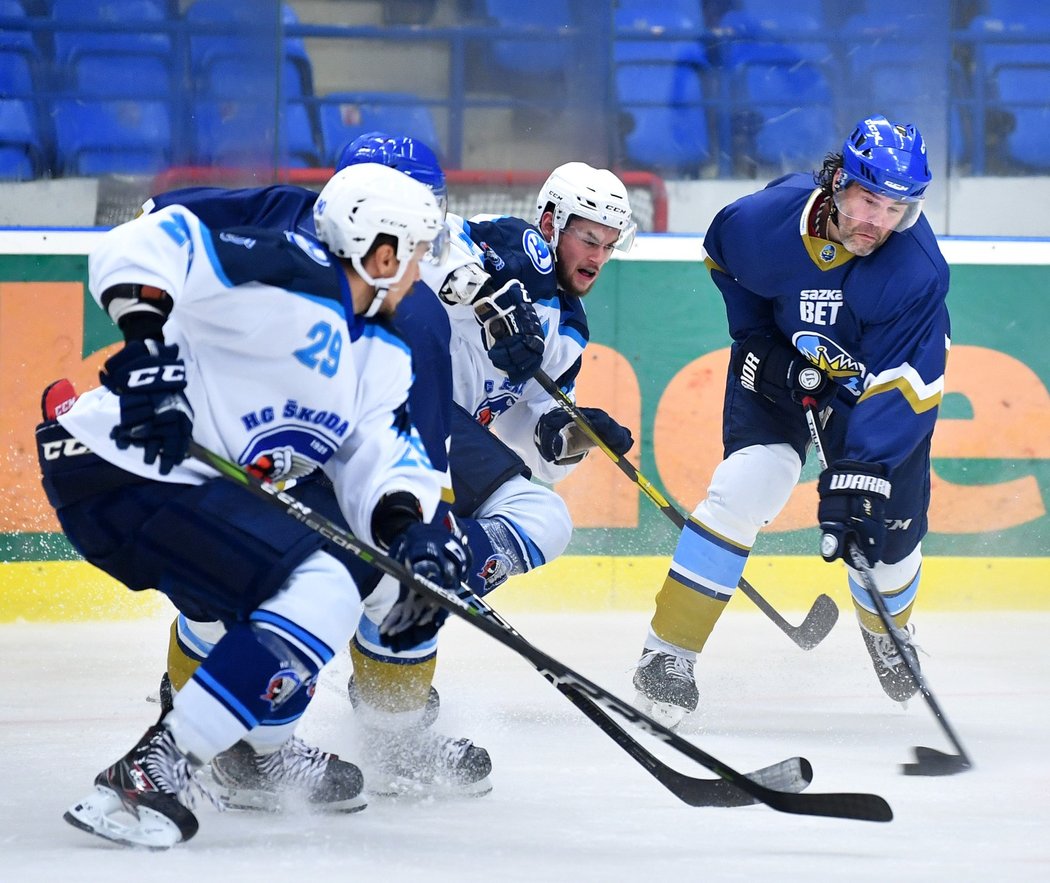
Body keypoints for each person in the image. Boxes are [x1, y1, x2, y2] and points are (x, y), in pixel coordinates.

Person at [142, 141, 637, 798]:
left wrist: (569, 433)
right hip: (302, 424)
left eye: (428, 211)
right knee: (242, 588)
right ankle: (229, 729)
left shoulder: (513, 311)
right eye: (586, 236)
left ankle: (388, 731)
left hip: (403, 427)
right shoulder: (301, 244)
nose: (596, 255)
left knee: (477, 543)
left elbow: (524, 439)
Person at [39, 163, 471, 848]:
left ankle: (247, 753)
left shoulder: (380, 356)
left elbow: (380, 462)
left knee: (347, 578)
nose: (419, 273)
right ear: (382, 254)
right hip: (118, 463)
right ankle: (158, 768)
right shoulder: (285, 267)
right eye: (416, 254)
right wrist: (147, 344)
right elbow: (148, 243)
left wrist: (407, 532)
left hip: (180, 496)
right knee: (323, 582)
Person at [631, 115, 949, 728]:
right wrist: (756, 339)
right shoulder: (758, 223)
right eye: (868, 201)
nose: (878, 224)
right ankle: (665, 656)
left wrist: (865, 470)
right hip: (783, 367)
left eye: (897, 211)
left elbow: (907, 386)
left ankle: (890, 631)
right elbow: (724, 261)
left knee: (887, 536)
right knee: (751, 480)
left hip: (870, 391)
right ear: (837, 182)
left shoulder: (916, 271)